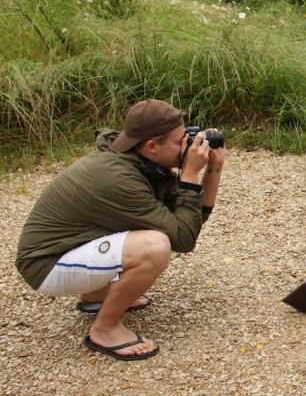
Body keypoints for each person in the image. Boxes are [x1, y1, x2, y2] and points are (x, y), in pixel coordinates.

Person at [16, 99, 225, 361]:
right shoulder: (119, 179)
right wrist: (190, 173)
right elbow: (182, 239)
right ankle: (105, 329)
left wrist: (214, 168)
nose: (187, 144)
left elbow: (189, 220)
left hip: (68, 249)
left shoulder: (139, 160)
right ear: (151, 145)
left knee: (156, 237)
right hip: (46, 265)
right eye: (179, 140)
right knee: (155, 246)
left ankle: (96, 294)